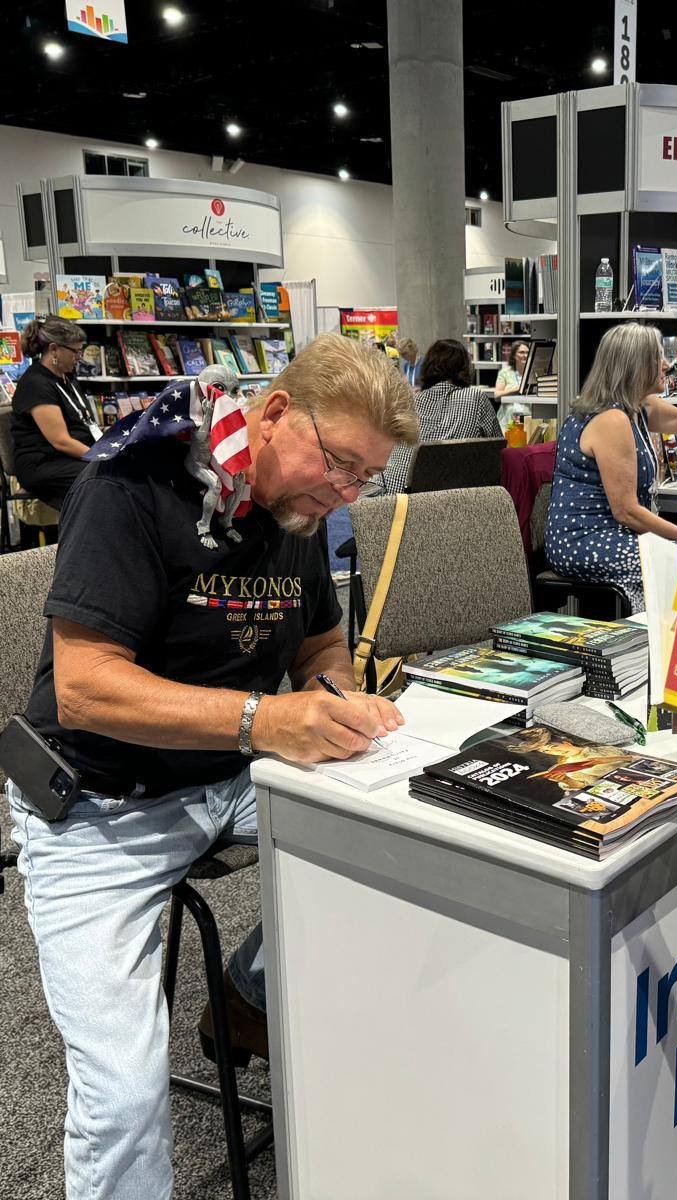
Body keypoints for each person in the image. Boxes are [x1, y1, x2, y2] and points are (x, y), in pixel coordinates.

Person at [5, 333, 416, 1200]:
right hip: (98, 805)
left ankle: (247, 988)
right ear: (275, 414)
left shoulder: (298, 512)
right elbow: (83, 688)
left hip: (229, 774)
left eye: (365, 478)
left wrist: (334, 699)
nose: (346, 492)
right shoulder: (133, 483)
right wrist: (266, 720)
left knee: (418, 841)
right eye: (340, 463)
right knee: (122, 1098)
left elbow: (322, 645)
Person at [544, 323, 677, 611]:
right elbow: (626, 511)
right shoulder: (612, 420)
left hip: (614, 533)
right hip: (584, 540)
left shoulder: (637, 407)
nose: (666, 365)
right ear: (635, 366)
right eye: (657, 358)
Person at [380, 338, 501, 491]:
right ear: (464, 367)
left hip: (395, 493)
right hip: (447, 495)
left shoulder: (411, 403)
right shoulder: (475, 398)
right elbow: (499, 449)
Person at [9, 315, 98, 512]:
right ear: (54, 349)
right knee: (104, 478)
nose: (79, 357)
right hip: (45, 462)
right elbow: (61, 441)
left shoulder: (67, 376)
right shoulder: (36, 384)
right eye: (75, 351)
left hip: (72, 456)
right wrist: (100, 457)